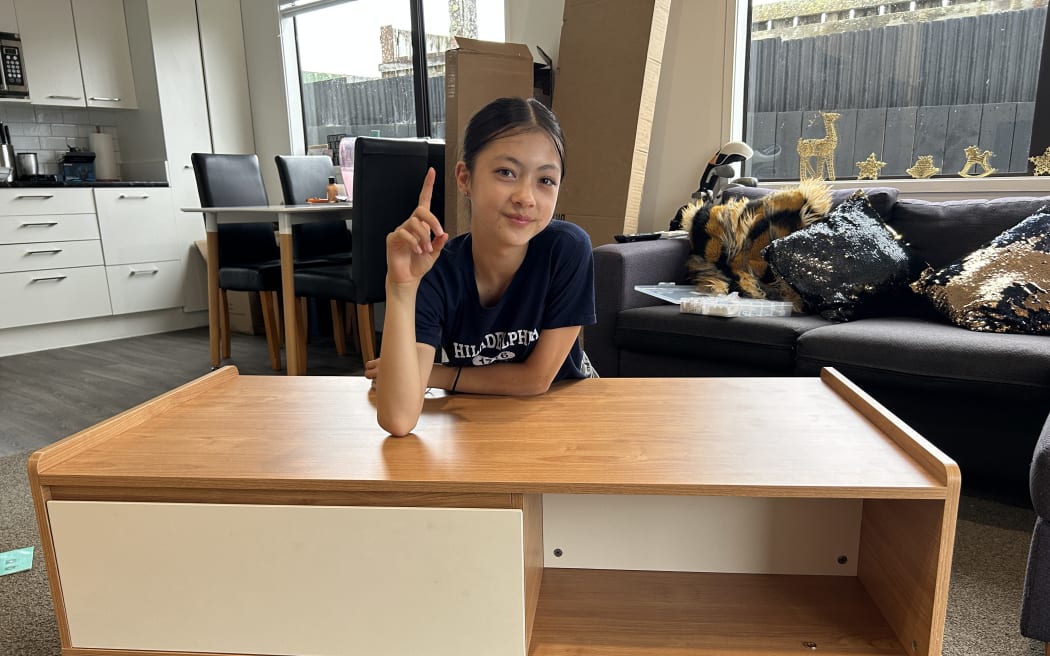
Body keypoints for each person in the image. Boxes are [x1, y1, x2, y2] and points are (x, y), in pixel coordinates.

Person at [366, 96, 596, 436]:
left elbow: (537, 379)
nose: (526, 197)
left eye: (545, 180)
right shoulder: (434, 268)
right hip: (474, 420)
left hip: (563, 414)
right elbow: (398, 420)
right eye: (506, 172)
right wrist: (400, 288)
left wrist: (436, 375)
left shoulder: (567, 250)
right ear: (464, 178)